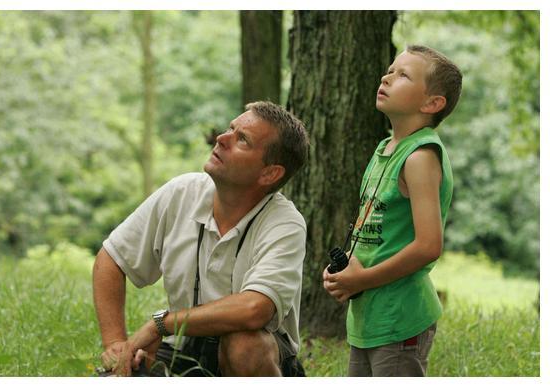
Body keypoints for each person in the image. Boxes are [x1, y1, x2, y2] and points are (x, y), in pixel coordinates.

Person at [93, 101, 309, 377]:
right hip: (181, 350)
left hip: (260, 357)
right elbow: (111, 258)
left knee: (243, 344)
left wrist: (161, 324)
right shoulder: (181, 192)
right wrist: (116, 344)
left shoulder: (285, 223)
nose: (222, 139)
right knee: (120, 374)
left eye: (242, 139)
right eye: (231, 129)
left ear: (270, 173)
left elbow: (255, 308)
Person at [323, 45, 462, 376]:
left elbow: (429, 246)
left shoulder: (420, 157)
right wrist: (347, 270)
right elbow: (373, 227)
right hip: (369, 316)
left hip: (400, 317)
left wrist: (363, 278)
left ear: (432, 103)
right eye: (390, 70)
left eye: (403, 75)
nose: (386, 77)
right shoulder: (385, 149)